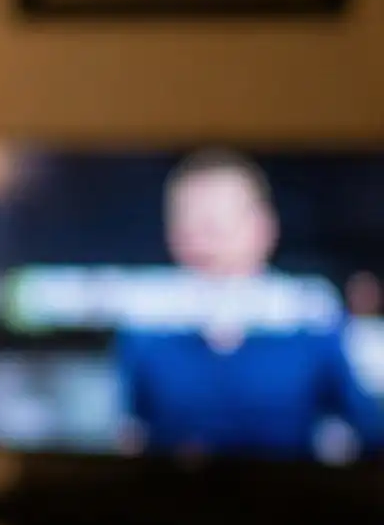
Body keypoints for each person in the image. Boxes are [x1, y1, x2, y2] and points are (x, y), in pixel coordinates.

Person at [116, 148, 384, 460]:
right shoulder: (147, 321)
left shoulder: (309, 312)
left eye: (218, 224)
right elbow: (127, 434)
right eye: (190, 224)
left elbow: (366, 430)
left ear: (263, 226)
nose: (204, 240)